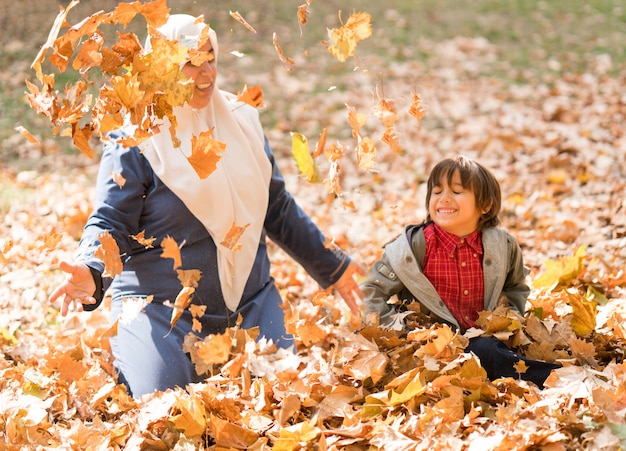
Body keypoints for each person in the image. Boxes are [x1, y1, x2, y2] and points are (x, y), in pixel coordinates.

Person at [48, 14, 364, 398]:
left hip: (251, 304)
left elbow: (276, 206)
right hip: (161, 311)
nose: (205, 72)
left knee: (286, 402)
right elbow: (112, 220)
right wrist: (91, 268)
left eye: (210, 57)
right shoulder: (134, 137)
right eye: (189, 62)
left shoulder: (243, 120)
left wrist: (334, 267)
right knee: (164, 411)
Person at [360, 155, 561, 388]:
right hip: (430, 351)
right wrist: (399, 332)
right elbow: (370, 289)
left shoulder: (502, 246)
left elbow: (515, 286)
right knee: (485, 358)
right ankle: (551, 377)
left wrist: (508, 320)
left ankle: (552, 377)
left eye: (456, 192)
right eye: (436, 192)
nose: (444, 198)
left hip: (483, 340)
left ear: (484, 206)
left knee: (488, 352)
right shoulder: (413, 248)